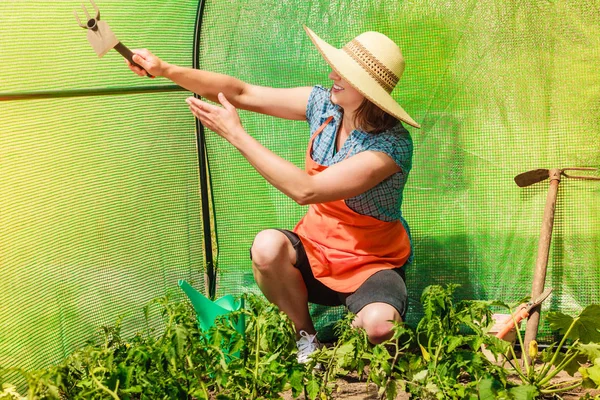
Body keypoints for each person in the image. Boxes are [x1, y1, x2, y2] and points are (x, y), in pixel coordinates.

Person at [127, 26, 420, 364]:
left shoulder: (390, 146)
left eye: (345, 73)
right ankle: (307, 340)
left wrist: (236, 135)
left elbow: (306, 190)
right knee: (267, 247)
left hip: (372, 264)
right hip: (316, 252)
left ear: (369, 91)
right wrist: (165, 69)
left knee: (380, 328)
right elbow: (241, 92)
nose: (332, 74)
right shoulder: (323, 105)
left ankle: (348, 340)